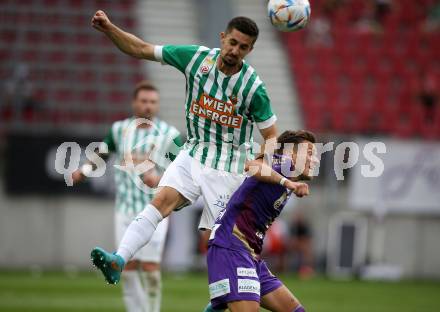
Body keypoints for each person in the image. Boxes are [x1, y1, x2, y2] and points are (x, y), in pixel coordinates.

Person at [89, 11, 284, 286]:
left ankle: (231, 297)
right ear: (223, 38)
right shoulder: (195, 58)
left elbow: (272, 135)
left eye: (243, 47)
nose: (235, 50)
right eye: (232, 42)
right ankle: (118, 260)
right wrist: (109, 29)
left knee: (223, 243)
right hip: (193, 154)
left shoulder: (253, 87)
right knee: (160, 202)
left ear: (250, 49)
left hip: (228, 168)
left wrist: (262, 160)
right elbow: (142, 48)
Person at [72, 81, 182, 312]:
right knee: (127, 268)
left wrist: (159, 180)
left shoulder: (169, 134)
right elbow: (102, 153)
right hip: (124, 209)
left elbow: (181, 170)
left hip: (155, 210)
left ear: (158, 104)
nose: (148, 106)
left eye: (153, 102)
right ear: (134, 103)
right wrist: (83, 171)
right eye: (144, 101)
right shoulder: (119, 130)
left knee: (151, 269)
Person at [206, 130, 318, 312]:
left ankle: (227, 294)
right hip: (232, 246)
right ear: (291, 153)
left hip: (249, 255)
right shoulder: (285, 165)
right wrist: (287, 183)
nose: (315, 160)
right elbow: (252, 165)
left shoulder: (284, 175)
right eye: (310, 154)